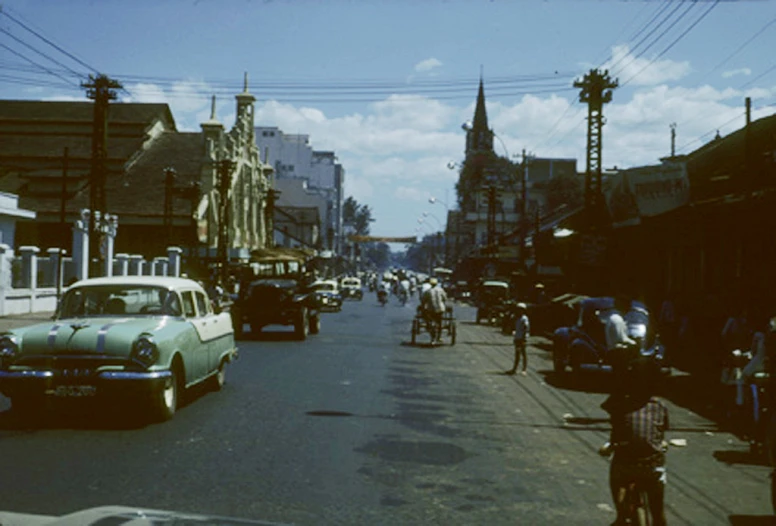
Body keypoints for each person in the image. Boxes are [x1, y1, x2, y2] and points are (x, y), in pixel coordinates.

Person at [600, 355, 669, 526]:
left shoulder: (620, 402)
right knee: (658, 513)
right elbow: (661, 433)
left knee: (616, 474)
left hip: (626, 464)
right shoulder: (660, 406)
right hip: (653, 466)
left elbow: (613, 422)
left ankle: (621, 515)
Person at [421, 277, 448, 344]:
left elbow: (423, 300)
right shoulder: (441, 290)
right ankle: (439, 337)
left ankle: (433, 338)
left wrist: (423, 306)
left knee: (430, 322)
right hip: (440, 309)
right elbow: (445, 298)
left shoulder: (428, 291)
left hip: (431, 309)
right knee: (439, 322)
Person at [507, 303, 530, 376]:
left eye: (520, 310)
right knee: (517, 354)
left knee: (523, 354)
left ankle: (524, 369)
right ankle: (515, 369)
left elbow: (526, 328)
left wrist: (523, 337)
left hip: (522, 338)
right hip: (517, 337)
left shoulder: (524, 318)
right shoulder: (516, 318)